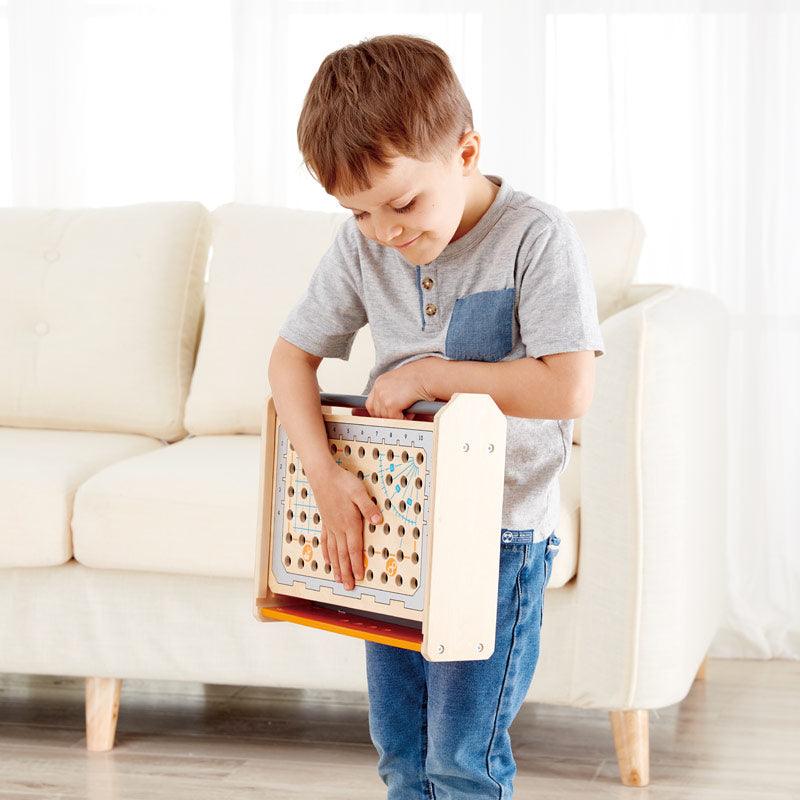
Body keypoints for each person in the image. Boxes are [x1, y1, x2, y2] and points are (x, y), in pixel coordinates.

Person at [268, 33, 605, 800]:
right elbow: (288, 360)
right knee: (400, 752)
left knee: (463, 758)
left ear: (465, 151)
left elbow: (568, 389)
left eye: (402, 203)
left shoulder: (535, 237)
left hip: (501, 536)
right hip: (399, 526)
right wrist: (322, 477)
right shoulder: (363, 249)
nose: (386, 231)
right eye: (358, 213)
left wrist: (432, 374)